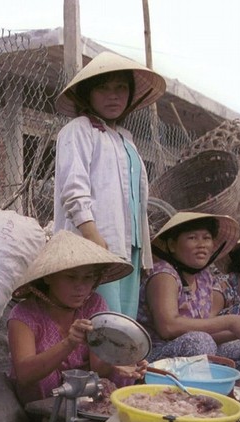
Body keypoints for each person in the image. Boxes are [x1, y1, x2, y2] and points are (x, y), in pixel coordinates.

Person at [53, 52, 166, 317]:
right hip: (96, 243)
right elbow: (73, 187)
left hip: (129, 246)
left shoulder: (126, 139)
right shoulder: (79, 129)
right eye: (103, 88)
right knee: (101, 320)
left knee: (123, 320)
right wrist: (93, 236)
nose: (112, 95)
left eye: (120, 88)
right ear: (87, 94)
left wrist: (145, 253)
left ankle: (118, 361)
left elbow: (138, 203)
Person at [7, 230, 145, 404]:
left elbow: (98, 368)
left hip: (85, 391)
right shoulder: (24, 314)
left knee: (122, 374)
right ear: (49, 278)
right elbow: (24, 376)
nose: (80, 287)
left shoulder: (94, 304)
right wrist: (69, 343)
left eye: (88, 278)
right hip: (43, 400)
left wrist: (118, 361)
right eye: (71, 278)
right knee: (43, 378)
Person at [137, 211, 240, 369]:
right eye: (192, 238)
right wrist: (229, 322)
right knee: (200, 342)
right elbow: (168, 327)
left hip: (193, 350)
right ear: (171, 245)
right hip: (154, 357)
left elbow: (205, 330)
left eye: (206, 238)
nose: (202, 244)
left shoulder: (204, 277)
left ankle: (211, 384)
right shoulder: (164, 274)